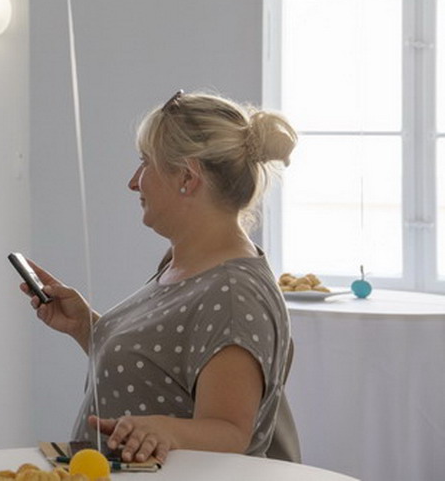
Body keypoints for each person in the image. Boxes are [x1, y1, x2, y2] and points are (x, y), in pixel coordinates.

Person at [20, 90, 297, 465]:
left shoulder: (233, 294)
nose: (134, 182)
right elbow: (159, 373)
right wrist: (86, 327)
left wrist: (165, 430)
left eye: (145, 163)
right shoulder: (187, 266)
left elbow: (230, 431)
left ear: (187, 177)